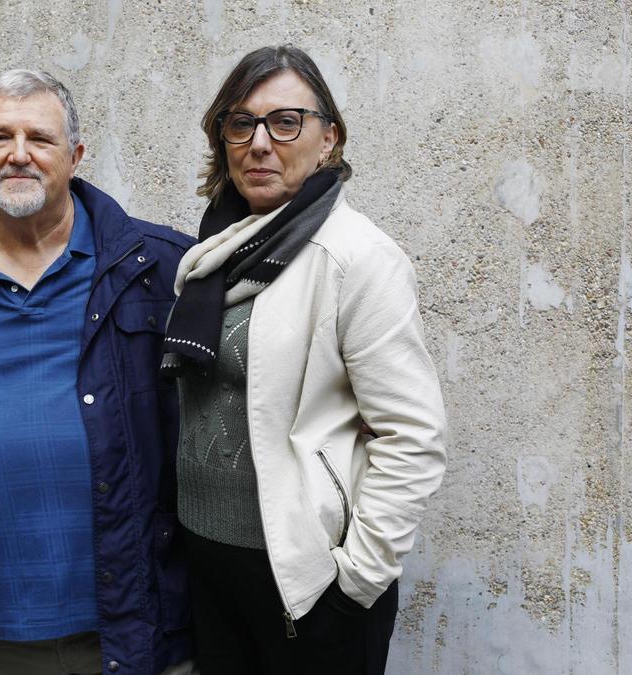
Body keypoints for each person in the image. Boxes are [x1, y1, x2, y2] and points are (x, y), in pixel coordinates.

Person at [160, 45, 447, 674]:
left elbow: (413, 437)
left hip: (305, 582)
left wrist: (353, 587)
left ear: (329, 140)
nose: (260, 142)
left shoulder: (358, 259)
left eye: (286, 122)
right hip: (210, 568)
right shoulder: (217, 253)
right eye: (241, 123)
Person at [0, 70, 195, 675]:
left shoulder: (156, 268)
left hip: (130, 620)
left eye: (39, 138)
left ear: (75, 155)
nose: (18, 154)